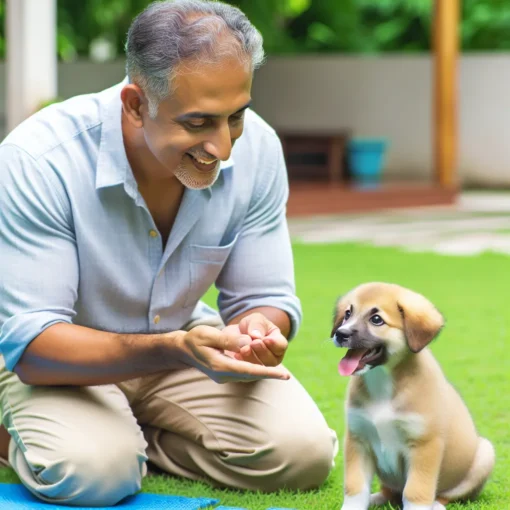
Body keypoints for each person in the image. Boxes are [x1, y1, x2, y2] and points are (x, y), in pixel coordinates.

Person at [0, 0, 337, 506]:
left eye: (236, 117)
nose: (222, 147)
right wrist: (176, 348)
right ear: (136, 105)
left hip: (178, 349)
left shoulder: (258, 148)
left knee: (301, 455)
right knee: (92, 476)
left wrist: (258, 331)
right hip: (58, 361)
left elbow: (265, 297)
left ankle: (126, 440)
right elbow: (34, 343)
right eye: (199, 122)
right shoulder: (39, 161)